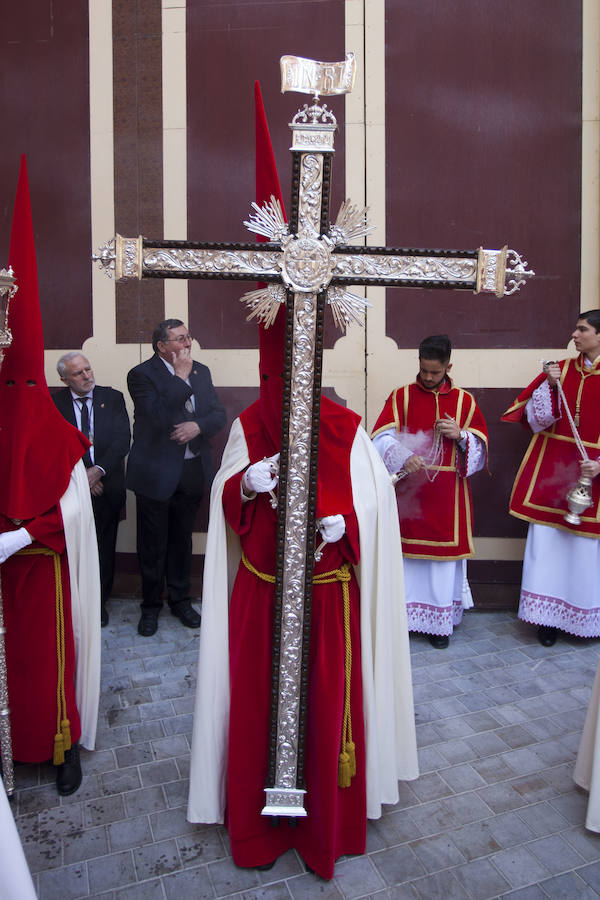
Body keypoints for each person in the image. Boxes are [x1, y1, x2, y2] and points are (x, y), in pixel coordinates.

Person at [187, 305, 418, 879]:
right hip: (261, 597)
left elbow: (376, 503)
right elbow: (224, 496)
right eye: (275, 375)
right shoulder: (248, 426)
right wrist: (244, 485)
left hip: (328, 597)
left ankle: (324, 828)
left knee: (325, 713)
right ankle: (257, 826)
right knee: (255, 708)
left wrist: (350, 525)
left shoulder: (346, 427)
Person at [0, 156, 101, 796]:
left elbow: (72, 512)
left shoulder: (60, 433)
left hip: (44, 573)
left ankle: (61, 745)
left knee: (47, 664)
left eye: (27, 382)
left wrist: (21, 536)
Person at [372, 334, 488, 649]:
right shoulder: (401, 396)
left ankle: (438, 625)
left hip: (448, 494)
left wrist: (461, 434)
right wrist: (401, 456)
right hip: (409, 492)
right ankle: (403, 620)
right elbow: (379, 439)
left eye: (435, 372)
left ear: (448, 366)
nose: (427, 377)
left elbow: (480, 448)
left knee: (441, 562)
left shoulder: (465, 401)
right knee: (405, 558)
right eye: (423, 370)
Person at [502, 309, 600, 646]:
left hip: (592, 476)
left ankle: (582, 617)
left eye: (582, 329)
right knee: (546, 545)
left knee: (584, 550)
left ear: (599, 336)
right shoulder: (560, 369)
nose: (574, 335)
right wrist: (550, 389)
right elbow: (532, 418)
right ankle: (546, 621)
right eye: (575, 329)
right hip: (550, 472)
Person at [126, 319, 226, 636]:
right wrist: (180, 378)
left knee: (182, 540)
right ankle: (151, 606)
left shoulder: (202, 371)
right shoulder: (141, 375)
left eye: (188, 337)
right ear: (161, 347)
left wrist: (199, 426)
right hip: (155, 473)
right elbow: (158, 418)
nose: (187, 344)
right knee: (152, 544)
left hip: (191, 469)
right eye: (180, 339)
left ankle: (181, 601)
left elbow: (217, 414)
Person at [54, 352, 131, 627]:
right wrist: (81, 478)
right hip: (71, 491)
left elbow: (123, 440)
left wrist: (97, 472)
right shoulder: (54, 402)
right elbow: (53, 446)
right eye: (78, 373)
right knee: (72, 549)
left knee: (103, 549)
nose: (87, 376)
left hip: (106, 489)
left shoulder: (112, 398)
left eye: (88, 369)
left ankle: (99, 604)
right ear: (64, 379)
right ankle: (74, 602)